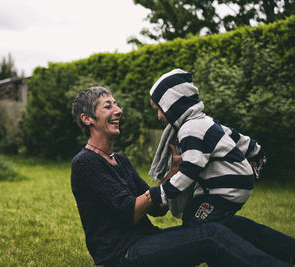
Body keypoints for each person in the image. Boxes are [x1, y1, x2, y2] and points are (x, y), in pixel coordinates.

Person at [70, 86, 292, 266]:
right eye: (108, 106)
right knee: (210, 235)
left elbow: (157, 209)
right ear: (87, 118)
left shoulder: (120, 160)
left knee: (230, 224)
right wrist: (166, 188)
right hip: (121, 255)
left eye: (116, 104)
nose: (118, 110)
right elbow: (129, 212)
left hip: (145, 240)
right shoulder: (86, 162)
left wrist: (174, 173)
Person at [147, 69, 265, 226]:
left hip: (224, 191)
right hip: (236, 185)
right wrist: (256, 151)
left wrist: (162, 193)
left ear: (172, 105)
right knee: (197, 214)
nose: (159, 117)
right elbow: (235, 136)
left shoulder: (190, 130)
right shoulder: (204, 121)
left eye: (158, 110)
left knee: (195, 223)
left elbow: (189, 170)